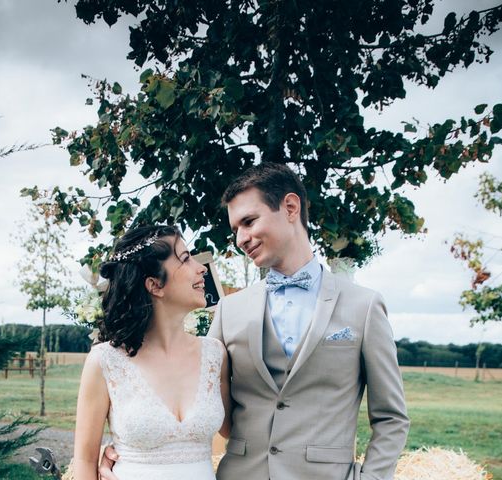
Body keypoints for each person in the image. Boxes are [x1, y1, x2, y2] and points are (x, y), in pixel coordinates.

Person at [100, 163, 409, 480]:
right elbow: (190, 397)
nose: (241, 239)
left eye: (249, 222)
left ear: (290, 207)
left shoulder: (364, 306)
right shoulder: (229, 310)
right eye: (235, 229)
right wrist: (130, 452)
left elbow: (391, 417)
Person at [73, 225, 231, 480]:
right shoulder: (105, 361)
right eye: (185, 258)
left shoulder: (215, 354)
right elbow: (84, 460)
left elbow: (238, 429)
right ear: (155, 285)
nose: (200, 267)